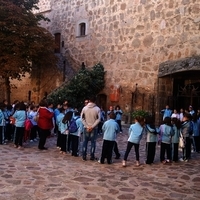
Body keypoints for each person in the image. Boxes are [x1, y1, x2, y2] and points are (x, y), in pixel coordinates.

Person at [81, 95, 101, 161]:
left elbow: (82, 118)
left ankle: (84, 155)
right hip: (94, 128)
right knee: (93, 142)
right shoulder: (97, 109)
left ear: (89, 100)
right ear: (95, 101)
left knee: (85, 142)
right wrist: (92, 126)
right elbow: (99, 119)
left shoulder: (84, 108)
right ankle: (92, 156)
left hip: (86, 127)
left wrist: (87, 126)